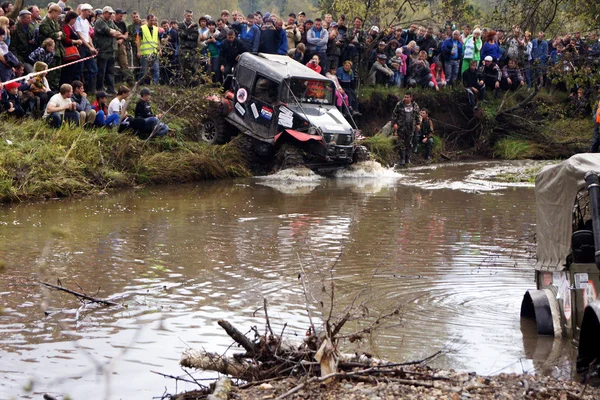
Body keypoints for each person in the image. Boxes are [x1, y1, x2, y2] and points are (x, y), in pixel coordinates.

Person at [94, 6, 125, 95]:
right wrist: (114, 32)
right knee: (102, 70)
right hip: (103, 49)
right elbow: (109, 31)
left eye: (112, 13)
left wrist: (115, 32)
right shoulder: (100, 22)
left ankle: (111, 87)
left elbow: (119, 31)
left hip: (111, 49)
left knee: (111, 70)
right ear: (104, 13)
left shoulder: (110, 21)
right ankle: (100, 88)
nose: (111, 15)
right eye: (109, 13)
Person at [38, 3, 64, 89]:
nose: (58, 15)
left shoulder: (55, 22)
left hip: (58, 50)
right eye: (57, 13)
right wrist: (57, 34)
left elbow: (62, 34)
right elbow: (50, 34)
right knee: (50, 73)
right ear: (52, 11)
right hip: (49, 51)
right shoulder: (44, 22)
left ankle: (55, 88)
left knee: (57, 72)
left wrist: (59, 34)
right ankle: (50, 89)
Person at [391, 92, 421, 165]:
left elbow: (418, 115)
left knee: (409, 143)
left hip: (410, 127)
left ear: (411, 98)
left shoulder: (415, 105)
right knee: (401, 143)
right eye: (405, 97)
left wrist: (418, 124)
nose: (406, 98)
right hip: (401, 126)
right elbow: (394, 114)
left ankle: (408, 159)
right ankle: (402, 159)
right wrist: (394, 123)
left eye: (407, 97)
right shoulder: (399, 104)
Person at [75, 4, 98, 94]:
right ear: (83, 10)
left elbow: (88, 35)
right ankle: (79, 90)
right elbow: (80, 35)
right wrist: (89, 47)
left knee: (93, 69)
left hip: (87, 46)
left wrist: (92, 47)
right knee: (79, 70)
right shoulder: (78, 20)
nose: (90, 13)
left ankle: (91, 90)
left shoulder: (86, 21)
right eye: (88, 11)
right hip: (81, 47)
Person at [137, 14, 160, 84]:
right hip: (145, 52)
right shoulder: (142, 28)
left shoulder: (156, 29)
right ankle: (139, 83)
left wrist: (160, 49)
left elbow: (158, 40)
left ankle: (155, 83)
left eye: (153, 20)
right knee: (144, 70)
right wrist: (138, 51)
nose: (152, 22)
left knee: (156, 69)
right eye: (151, 20)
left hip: (154, 52)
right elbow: (138, 40)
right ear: (147, 20)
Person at [60, 11, 83, 84]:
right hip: (69, 53)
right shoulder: (66, 27)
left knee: (74, 72)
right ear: (71, 19)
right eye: (74, 19)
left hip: (75, 52)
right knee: (69, 72)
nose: (75, 21)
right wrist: (76, 41)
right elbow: (66, 39)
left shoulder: (71, 27)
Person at [113, 9, 134, 85]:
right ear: (116, 14)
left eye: (122, 15)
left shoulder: (122, 23)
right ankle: (111, 83)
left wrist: (122, 38)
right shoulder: (111, 23)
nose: (121, 17)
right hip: (112, 46)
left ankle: (130, 81)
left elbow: (126, 33)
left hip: (121, 46)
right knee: (111, 65)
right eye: (120, 15)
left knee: (124, 64)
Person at [178, 10, 198, 79]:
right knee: (184, 67)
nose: (190, 17)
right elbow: (182, 35)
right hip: (184, 49)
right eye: (188, 16)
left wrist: (187, 36)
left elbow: (195, 36)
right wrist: (188, 28)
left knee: (193, 67)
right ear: (185, 16)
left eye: (191, 16)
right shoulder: (180, 25)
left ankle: (192, 83)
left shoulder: (195, 25)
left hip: (192, 49)